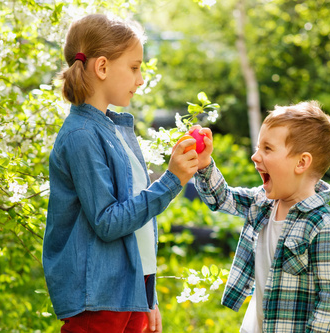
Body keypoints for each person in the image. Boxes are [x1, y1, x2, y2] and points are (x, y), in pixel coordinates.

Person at [42, 14, 199, 333]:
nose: (140, 79)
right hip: (99, 298)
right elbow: (108, 222)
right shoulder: (81, 136)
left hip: (129, 293)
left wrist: (148, 296)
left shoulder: (116, 130)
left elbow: (138, 230)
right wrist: (171, 180)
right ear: (101, 67)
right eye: (134, 67)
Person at [190, 101, 330, 332]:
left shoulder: (322, 226)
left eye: (267, 149)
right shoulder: (263, 203)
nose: (255, 157)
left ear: (301, 162)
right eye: (258, 148)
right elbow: (222, 198)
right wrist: (205, 164)